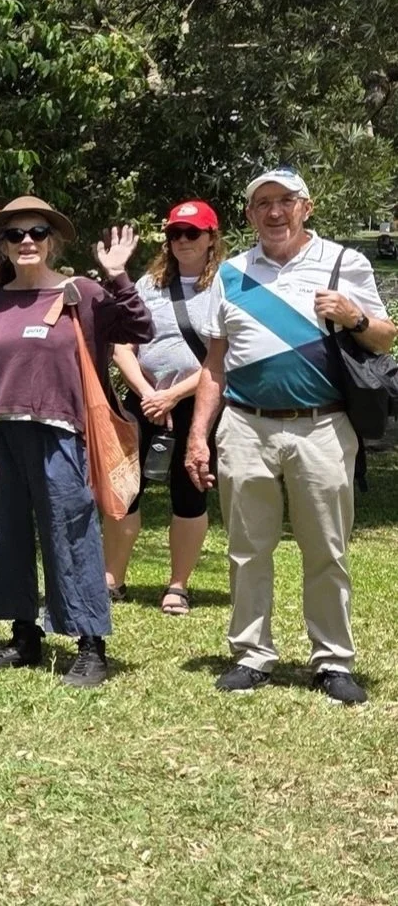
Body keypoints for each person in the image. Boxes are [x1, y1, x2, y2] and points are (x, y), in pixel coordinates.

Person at [186, 169, 390, 705]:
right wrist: (198, 436)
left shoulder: (345, 262)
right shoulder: (230, 273)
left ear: (307, 207)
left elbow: (385, 337)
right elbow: (214, 363)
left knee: (326, 548)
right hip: (245, 425)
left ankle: (333, 660)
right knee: (247, 548)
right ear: (249, 215)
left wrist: (353, 316)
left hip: (322, 425)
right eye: (263, 204)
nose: (274, 212)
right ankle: (251, 654)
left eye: (285, 201)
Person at [0, 197, 148, 687]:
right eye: (16, 234)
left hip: (63, 433)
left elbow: (139, 328)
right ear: (3, 246)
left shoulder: (80, 293)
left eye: (37, 232)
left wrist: (118, 277)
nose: (27, 241)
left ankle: (90, 645)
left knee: (72, 534)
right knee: (4, 537)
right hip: (2, 436)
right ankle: (24, 636)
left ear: (52, 242)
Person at [108, 199, 222, 616]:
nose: (183, 240)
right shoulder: (148, 285)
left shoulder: (224, 286)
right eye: (175, 233)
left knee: (189, 491)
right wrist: (147, 393)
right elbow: (122, 345)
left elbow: (223, 357)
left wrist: (173, 396)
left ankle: (178, 586)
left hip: (197, 403)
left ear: (211, 238)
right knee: (123, 489)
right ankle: (112, 580)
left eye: (192, 233)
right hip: (144, 401)